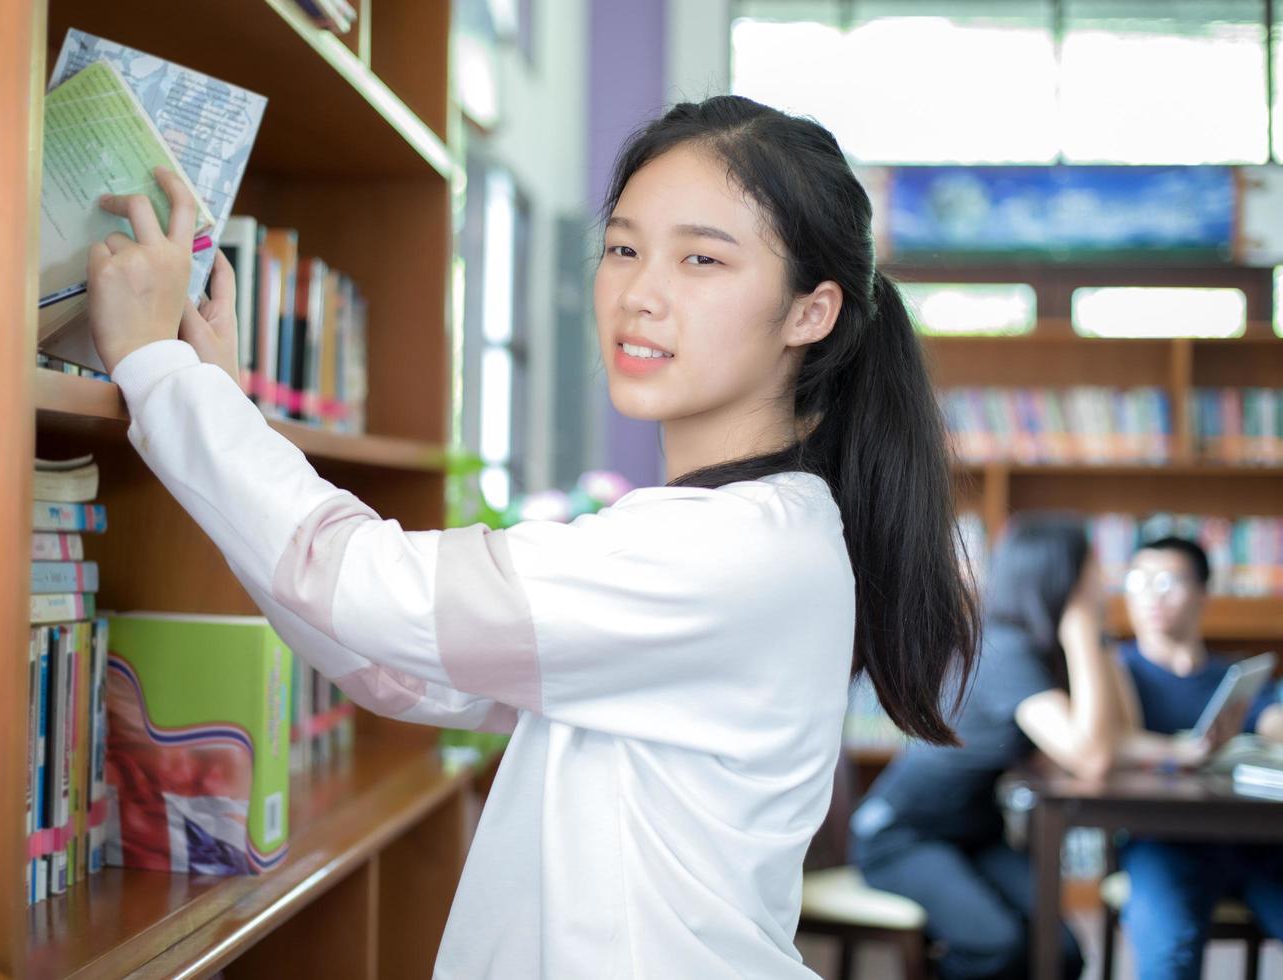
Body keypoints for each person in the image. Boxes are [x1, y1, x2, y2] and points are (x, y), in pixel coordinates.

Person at [82, 95, 979, 978]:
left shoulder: (737, 550)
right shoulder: (732, 529)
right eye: (623, 248)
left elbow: (375, 591)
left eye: (702, 259)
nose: (640, 294)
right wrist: (214, 408)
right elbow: (401, 666)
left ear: (809, 312)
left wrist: (158, 372)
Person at [851, 514, 1119, 980]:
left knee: (1065, 954)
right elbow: (1091, 756)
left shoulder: (1030, 650)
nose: (1104, 579)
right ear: (1064, 578)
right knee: (997, 945)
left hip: (971, 833)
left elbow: (1093, 747)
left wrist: (1176, 753)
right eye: (1093, 566)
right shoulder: (1005, 651)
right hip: (902, 837)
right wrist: (1082, 636)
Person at [1108, 536, 1283, 980]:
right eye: (1139, 581)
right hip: (1160, 841)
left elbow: (1272, 719)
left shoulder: (1234, 678)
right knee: (1169, 960)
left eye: (1168, 581)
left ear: (1204, 592)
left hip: (1255, 842)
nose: (1151, 594)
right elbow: (1102, 745)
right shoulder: (1115, 672)